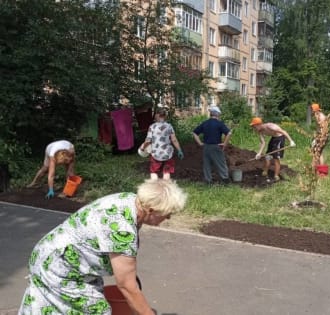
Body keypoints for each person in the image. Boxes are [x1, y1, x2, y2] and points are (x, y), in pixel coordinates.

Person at [18, 179, 187, 315]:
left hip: (49, 255)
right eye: (167, 214)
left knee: (50, 306)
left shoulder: (130, 200)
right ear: (151, 210)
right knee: (97, 310)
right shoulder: (122, 228)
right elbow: (126, 285)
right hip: (59, 268)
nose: (169, 218)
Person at [139, 108, 184, 180]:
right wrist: (179, 150)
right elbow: (174, 140)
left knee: (154, 171)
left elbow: (148, 140)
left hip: (156, 154)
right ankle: (166, 187)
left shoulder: (152, 127)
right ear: (165, 116)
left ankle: (154, 188)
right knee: (166, 171)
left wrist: (143, 148)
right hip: (167, 153)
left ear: (157, 115)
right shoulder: (169, 126)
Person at [192, 106, 232, 185]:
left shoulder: (205, 123)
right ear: (217, 114)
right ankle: (225, 180)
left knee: (207, 164)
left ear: (211, 114)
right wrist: (225, 143)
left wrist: (200, 143)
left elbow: (194, 133)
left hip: (206, 147)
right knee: (221, 163)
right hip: (216, 146)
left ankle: (208, 181)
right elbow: (229, 133)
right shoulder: (219, 124)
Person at [249, 117, 296, 182]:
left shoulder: (270, 126)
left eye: (254, 126)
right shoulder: (260, 131)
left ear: (258, 125)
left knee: (276, 158)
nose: (254, 128)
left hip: (280, 138)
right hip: (273, 138)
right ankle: (265, 171)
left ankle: (276, 175)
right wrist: (259, 153)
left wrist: (291, 141)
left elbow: (283, 132)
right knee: (268, 156)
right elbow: (263, 143)